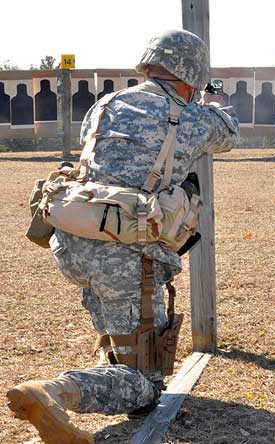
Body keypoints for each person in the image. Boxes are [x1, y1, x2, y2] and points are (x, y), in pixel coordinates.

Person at [7, 29, 239, 444]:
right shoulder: (190, 116)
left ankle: (118, 367)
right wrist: (214, 102)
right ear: (191, 74)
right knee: (146, 382)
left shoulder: (106, 103)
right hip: (128, 255)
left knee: (122, 332)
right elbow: (229, 132)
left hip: (73, 240)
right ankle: (55, 392)